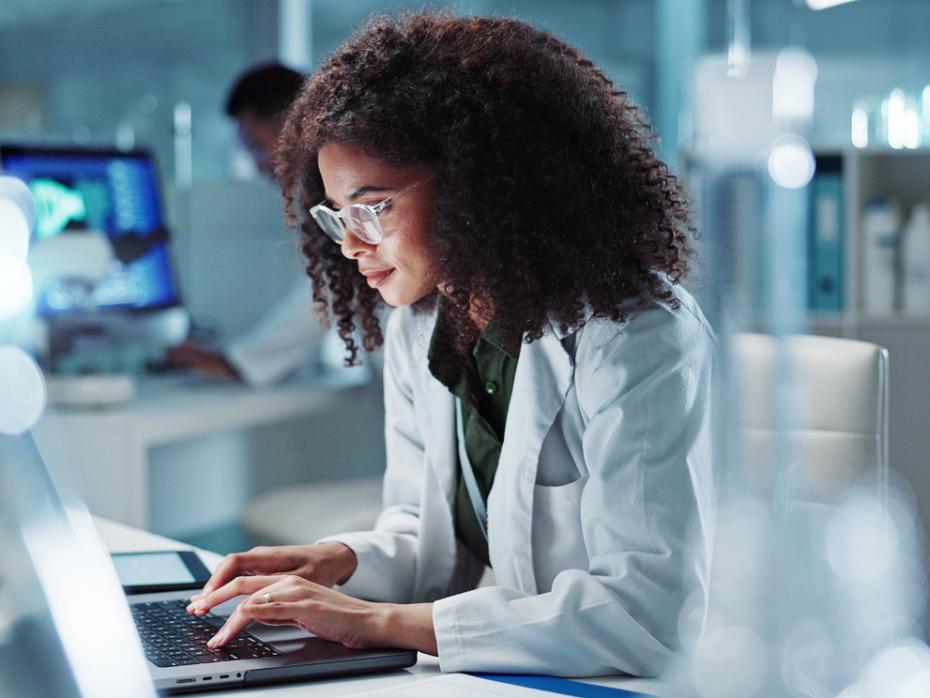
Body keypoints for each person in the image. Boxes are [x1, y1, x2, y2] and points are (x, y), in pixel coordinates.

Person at [185, 12, 716, 678]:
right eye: (335, 214)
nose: (349, 245)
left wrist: (374, 622)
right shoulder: (422, 323)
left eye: (372, 207)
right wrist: (339, 561)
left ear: (478, 185)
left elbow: (644, 613)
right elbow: (428, 537)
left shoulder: (633, 332)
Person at [167, 63, 330, 386]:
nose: (257, 165)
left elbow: (327, 289)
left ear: (291, 124)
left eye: (256, 145)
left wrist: (238, 362)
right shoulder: (318, 185)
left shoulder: (332, 184)